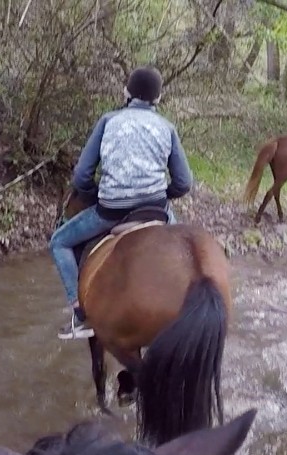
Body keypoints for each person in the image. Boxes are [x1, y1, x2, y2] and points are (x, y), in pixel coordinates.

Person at [49, 66, 192, 340]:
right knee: (184, 252)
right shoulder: (167, 127)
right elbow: (184, 183)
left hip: (112, 210)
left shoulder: (108, 121)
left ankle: (80, 313)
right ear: (158, 99)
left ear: (126, 92)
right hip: (155, 208)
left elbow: (81, 176)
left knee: (59, 242)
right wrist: (161, 194)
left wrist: (94, 195)